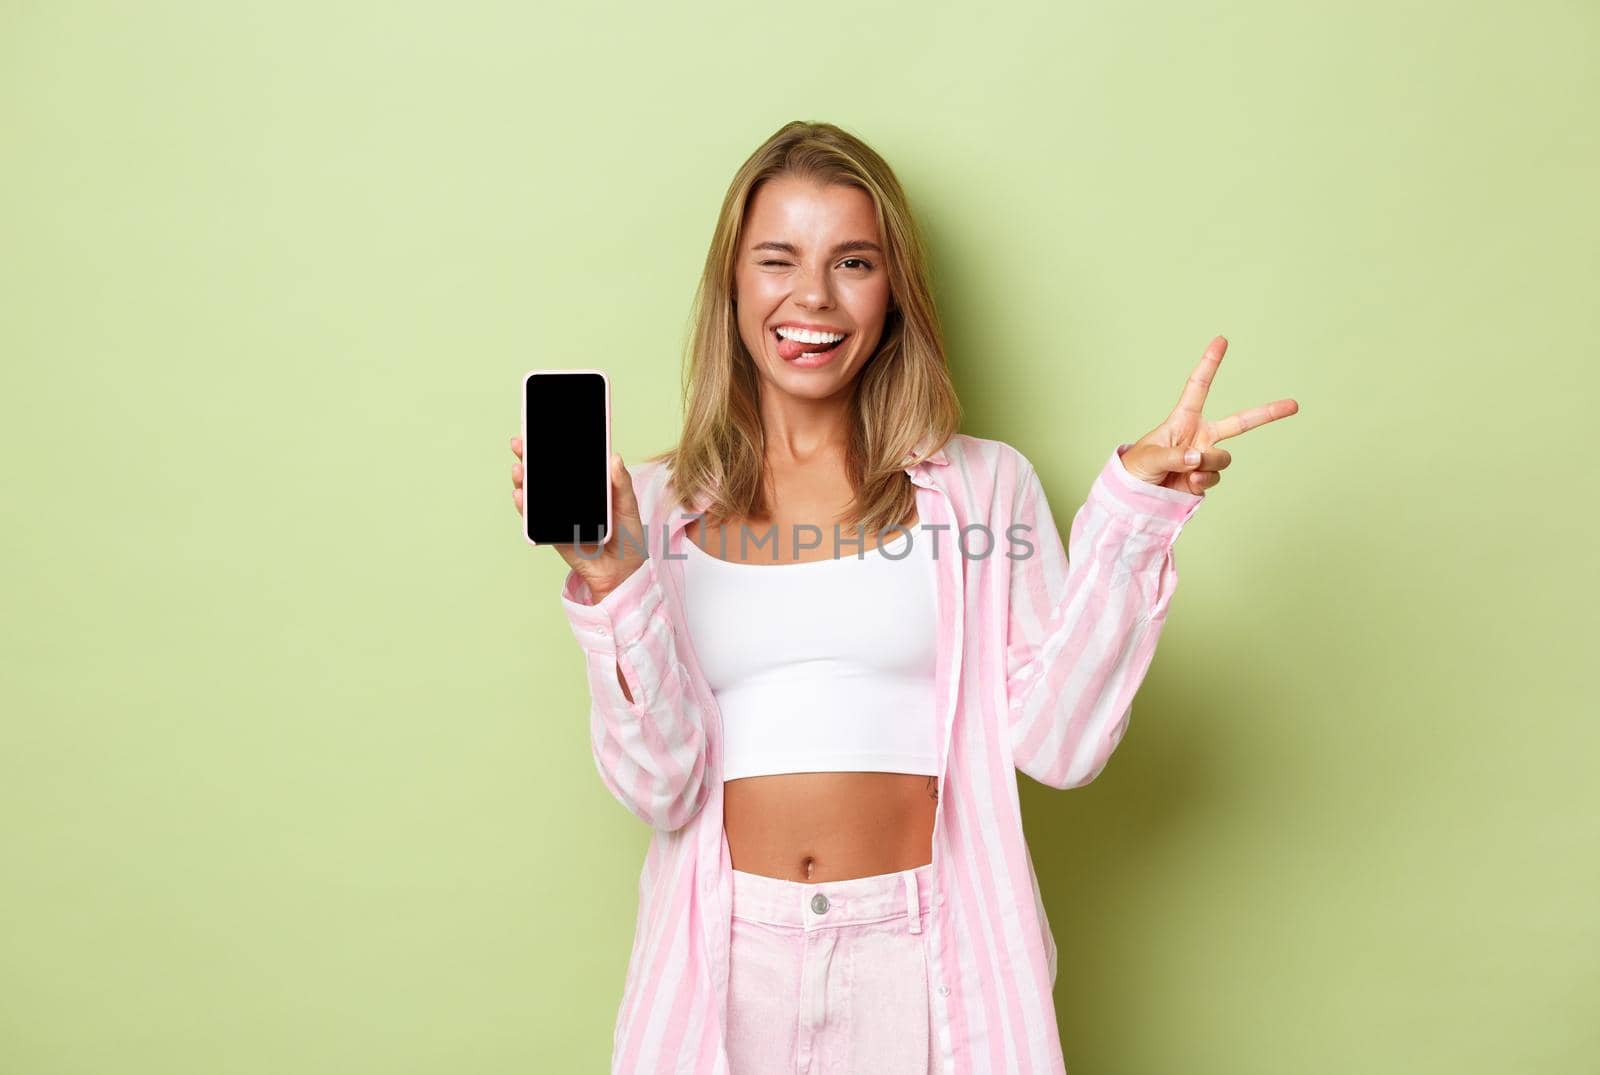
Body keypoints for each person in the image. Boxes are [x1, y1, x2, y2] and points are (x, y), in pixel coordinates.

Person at [509, 120, 1297, 1075]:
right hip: (727, 959)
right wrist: (614, 580)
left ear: (894, 294)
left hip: (924, 954)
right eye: (777, 260)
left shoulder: (982, 490)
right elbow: (658, 783)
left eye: (853, 261)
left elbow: (1060, 744)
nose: (813, 296)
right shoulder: (654, 510)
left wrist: (1133, 517)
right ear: (732, 286)